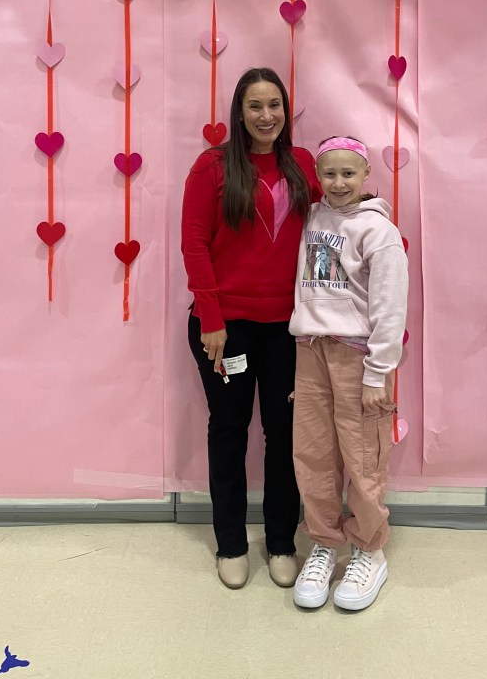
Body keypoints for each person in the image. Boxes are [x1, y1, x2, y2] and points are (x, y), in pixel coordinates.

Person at [181, 67, 321, 590]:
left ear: (286, 111)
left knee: (284, 435)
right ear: (239, 113)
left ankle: (282, 541)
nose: (266, 116)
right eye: (255, 106)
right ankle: (231, 544)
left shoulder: (302, 164)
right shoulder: (212, 167)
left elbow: (335, 215)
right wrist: (211, 319)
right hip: (226, 329)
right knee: (229, 431)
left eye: (275, 105)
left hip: (288, 329)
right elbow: (194, 243)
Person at [289, 136, 408, 611]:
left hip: (358, 359)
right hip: (310, 350)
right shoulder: (312, 218)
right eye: (329, 174)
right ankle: (323, 542)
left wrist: (378, 372)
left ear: (365, 176)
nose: (338, 183)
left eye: (348, 174)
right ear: (317, 177)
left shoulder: (379, 231)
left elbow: (390, 307)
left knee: (363, 457)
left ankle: (369, 549)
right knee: (313, 454)